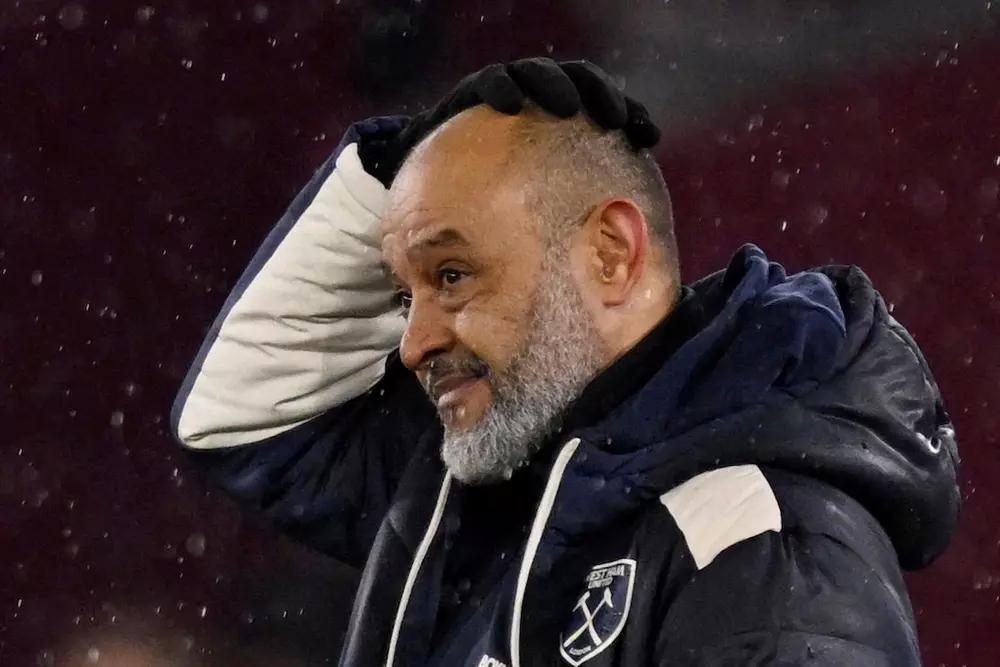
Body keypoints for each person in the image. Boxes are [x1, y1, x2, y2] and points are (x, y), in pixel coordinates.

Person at [171, 59, 960, 666]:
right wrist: (407, 165)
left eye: (453, 275)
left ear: (611, 254)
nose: (412, 342)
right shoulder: (487, 481)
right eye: (404, 296)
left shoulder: (763, 543)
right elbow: (242, 415)